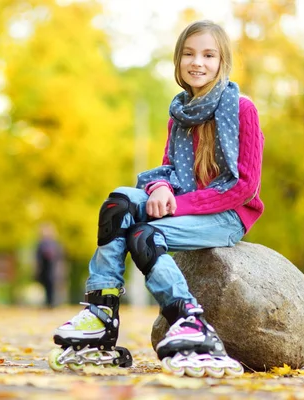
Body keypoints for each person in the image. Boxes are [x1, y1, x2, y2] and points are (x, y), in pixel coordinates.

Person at [48, 20, 264, 377]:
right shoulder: (179, 114)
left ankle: (189, 322)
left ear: (222, 61)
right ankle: (102, 313)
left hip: (228, 215)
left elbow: (244, 187)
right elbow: (167, 170)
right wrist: (159, 188)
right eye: (189, 54)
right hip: (187, 205)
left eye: (209, 55)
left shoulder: (242, 109)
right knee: (118, 204)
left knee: (145, 236)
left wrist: (179, 205)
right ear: (178, 61)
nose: (198, 62)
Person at [35, 223, 65, 308]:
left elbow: (60, 257)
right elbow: (38, 258)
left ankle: (52, 303)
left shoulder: (55, 244)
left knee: (53, 287)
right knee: (47, 287)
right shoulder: (41, 244)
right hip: (45, 270)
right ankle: (49, 302)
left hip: (53, 270)